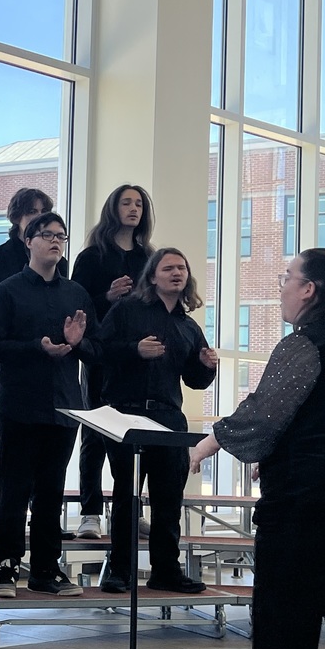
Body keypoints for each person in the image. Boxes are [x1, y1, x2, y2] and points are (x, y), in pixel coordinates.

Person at [189, 248, 325, 649]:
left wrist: (205, 445)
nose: (281, 286)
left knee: (284, 636)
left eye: (287, 277)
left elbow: (262, 415)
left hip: (303, 513)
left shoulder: (305, 343)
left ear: (309, 289)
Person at [0, 212, 97, 598]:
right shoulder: (8, 290)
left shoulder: (76, 294)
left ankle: (47, 569)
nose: (55, 242)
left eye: (61, 236)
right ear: (28, 240)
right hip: (20, 403)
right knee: (14, 489)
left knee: (51, 492)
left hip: (64, 407)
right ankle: (6, 567)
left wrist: (77, 343)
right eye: (47, 235)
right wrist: (37, 347)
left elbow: (95, 351)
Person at [97, 248, 216, 594]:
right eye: (168, 268)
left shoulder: (187, 325)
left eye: (182, 267)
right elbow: (100, 350)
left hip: (168, 417)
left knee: (168, 499)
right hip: (127, 413)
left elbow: (194, 380)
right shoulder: (127, 310)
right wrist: (135, 349)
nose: (177, 273)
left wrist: (206, 368)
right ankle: (119, 569)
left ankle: (166, 569)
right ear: (153, 276)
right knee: (126, 496)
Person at [0, 188, 65, 539]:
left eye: (43, 211)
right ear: (16, 218)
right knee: (8, 454)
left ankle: (40, 540)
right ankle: (3, 526)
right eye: (31, 211)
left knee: (46, 467)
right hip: (12, 361)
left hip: (51, 369)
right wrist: (19, 336)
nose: (36, 215)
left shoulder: (60, 263)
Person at [71, 184, 156, 540]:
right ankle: (90, 511)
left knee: (138, 434)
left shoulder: (148, 257)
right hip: (100, 354)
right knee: (96, 430)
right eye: (126, 202)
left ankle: (130, 507)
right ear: (113, 208)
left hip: (137, 356)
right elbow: (75, 302)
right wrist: (108, 295)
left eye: (139, 204)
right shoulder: (92, 256)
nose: (133, 209)